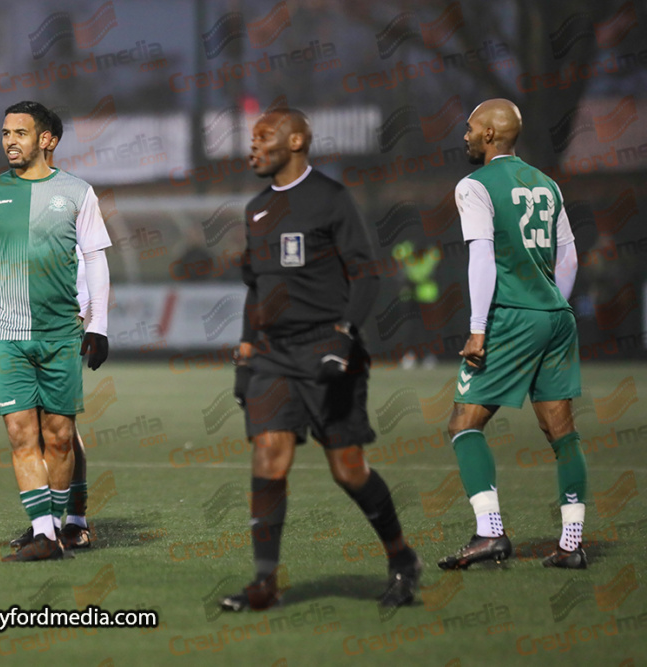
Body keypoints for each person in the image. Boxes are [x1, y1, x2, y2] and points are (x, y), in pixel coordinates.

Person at [222, 108, 421, 611]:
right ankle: (264, 583)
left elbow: (367, 275)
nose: (253, 146)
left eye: (263, 137)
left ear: (295, 142)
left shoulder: (332, 199)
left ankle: (401, 557)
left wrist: (343, 336)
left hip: (328, 349)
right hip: (272, 355)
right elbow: (256, 288)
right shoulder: (256, 209)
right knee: (269, 455)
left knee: (348, 469)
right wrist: (246, 351)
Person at [0, 101, 111, 561]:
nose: (9, 142)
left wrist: (98, 324)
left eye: (20, 133)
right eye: (4, 133)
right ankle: (45, 533)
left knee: (59, 436)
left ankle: (60, 525)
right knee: (22, 434)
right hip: (6, 333)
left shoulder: (78, 193)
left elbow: (96, 259)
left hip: (60, 331)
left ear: (48, 140)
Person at [439, 99, 585, 570]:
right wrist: (551, 304)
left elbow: (481, 257)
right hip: (557, 317)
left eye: (469, 128)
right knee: (561, 433)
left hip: (512, 318)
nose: (463, 135)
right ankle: (572, 542)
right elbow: (569, 259)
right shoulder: (547, 184)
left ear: (487, 135)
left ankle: (489, 534)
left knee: (464, 425)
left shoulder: (474, 186)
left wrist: (478, 329)